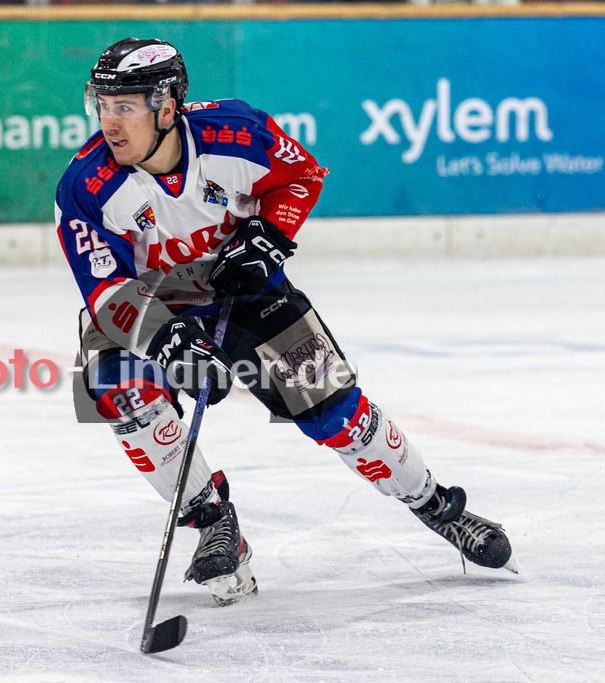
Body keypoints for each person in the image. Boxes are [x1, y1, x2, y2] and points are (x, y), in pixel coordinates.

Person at [54, 38, 514, 606]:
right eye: (101, 106)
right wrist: (169, 340)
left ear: (167, 106)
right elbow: (106, 290)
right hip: (157, 301)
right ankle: (214, 520)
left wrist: (268, 236)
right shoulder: (86, 186)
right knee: (110, 382)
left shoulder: (236, 133)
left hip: (249, 290)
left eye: (123, 107)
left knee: (337, 415)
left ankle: (433, 504)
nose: (109, 123)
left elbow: (301, 176)